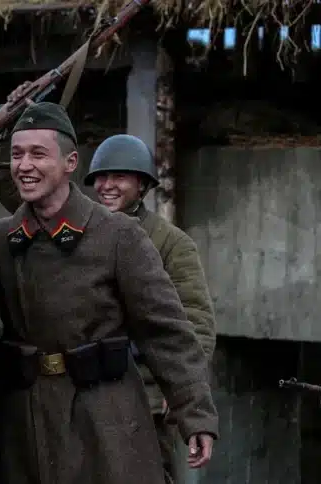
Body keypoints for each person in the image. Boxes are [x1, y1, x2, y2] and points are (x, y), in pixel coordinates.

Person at [0, 101, 218, 484]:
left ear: (70, 163)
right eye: (17, 154)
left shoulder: (119, 237)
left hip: (106, 416)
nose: (24, 165)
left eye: (38, 154)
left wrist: (195, 412)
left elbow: (168, 330)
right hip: (26, 421)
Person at [84, 134, 217, 483]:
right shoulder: (80, 231)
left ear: (141, 184)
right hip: (85, 391)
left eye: (119, 177)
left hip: (145, 395)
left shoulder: (171, 244)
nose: (107, 186)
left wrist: (182, 391)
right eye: (101, 177)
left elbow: (195, 322)